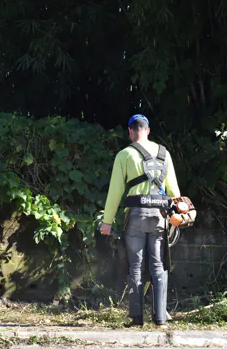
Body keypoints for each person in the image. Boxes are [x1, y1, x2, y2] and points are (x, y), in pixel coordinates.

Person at [100, 114, 181, 328]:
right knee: (158, 264)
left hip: (136, 215)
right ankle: (161, 319)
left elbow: (115, 191)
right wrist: (178, 217)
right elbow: (174, 191)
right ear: (148, 130)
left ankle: (136, 318)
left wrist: (107, 221)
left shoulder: (125, 154)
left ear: (130, 132)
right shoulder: (164, 153)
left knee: (135, 265)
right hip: (160, 217)